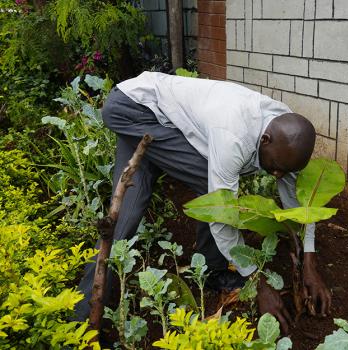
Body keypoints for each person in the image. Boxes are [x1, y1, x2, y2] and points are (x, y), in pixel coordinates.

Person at [74, 71, 331, 333]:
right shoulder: (234, 137)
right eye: (275, 168)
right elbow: (220, 213)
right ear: (265, 140)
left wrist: (309, 261)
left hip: (155, 115)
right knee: (212, 191)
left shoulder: (289, 139)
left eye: (284, 171)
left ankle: (82, 317)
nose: (278, 175)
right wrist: (258, 283)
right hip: (132, 108)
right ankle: (212, 271)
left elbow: (299, 204)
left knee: (123, 219)